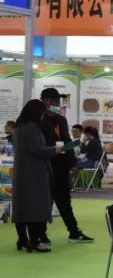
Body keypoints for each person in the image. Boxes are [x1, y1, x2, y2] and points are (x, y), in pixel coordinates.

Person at [39, 88, 93, 243]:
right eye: (54, 101)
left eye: (58, 101)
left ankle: (74, 232)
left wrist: (73, 164)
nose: (57, 104)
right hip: (45, 165)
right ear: (45, 101)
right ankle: (41, 234)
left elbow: (67, 141)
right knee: (45, 201)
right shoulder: (38, 120)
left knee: (64, 200)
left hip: (61, 166)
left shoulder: (61, 120)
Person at [13, 100, 64, 252]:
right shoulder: (32, 128)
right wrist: (55, 150)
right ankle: (35, 241)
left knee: (22, 208)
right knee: (36, 209)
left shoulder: (19, 128)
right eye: (42, 113)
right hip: (35, 174)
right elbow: (37, 149)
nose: (43, 117)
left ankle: (23, 239)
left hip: (22, 173)